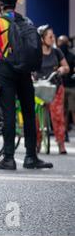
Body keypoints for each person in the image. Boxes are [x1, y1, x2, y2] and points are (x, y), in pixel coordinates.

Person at [0, 0, 53, 170]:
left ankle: (9, 158)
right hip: (25, 72)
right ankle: (31, 157)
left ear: (0, 4)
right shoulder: (27, 21)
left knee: (8, 115)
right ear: (15, 3)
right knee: (29, 114)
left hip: (6, 71)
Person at [36, 26, 69, 154]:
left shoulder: (57, 52)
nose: (52, 38)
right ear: (42, 39)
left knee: (57, 115)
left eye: (53, 36)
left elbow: (66, 67)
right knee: (36, 118)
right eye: (50, 36)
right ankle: (37, 143)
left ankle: (61, 143)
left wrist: (62, 69)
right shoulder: (36, 53)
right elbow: (29, 68)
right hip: (39, 87)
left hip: (55, 87)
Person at [57, 35, 75, 142]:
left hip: (70, 86)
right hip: (62, 86)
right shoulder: (58, 54)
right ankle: (64, 133)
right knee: (64, 111)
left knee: (70, 111)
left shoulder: (70, 55)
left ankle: (65, 133)